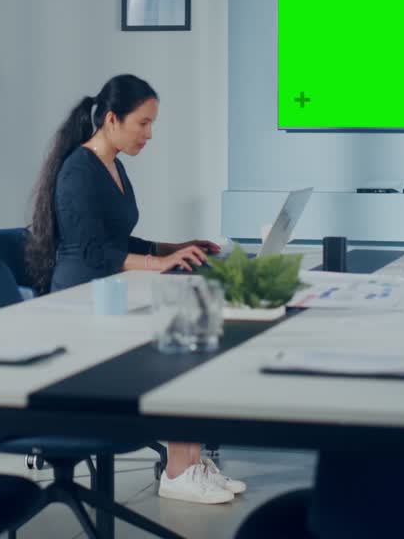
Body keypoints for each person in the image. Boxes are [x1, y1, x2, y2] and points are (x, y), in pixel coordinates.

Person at [24, 73, 246, 505]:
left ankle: (190, 462)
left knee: (192, 335)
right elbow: (91, 251)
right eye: (143, 123)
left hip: (114, 288)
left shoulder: (114, 166)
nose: (149, 134)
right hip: (83, 296)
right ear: (111, 119)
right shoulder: (78, 171)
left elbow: (121, 241)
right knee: (179, 345)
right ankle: (180, 470)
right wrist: (158, 264)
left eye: (152, 124)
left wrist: (176, 248)